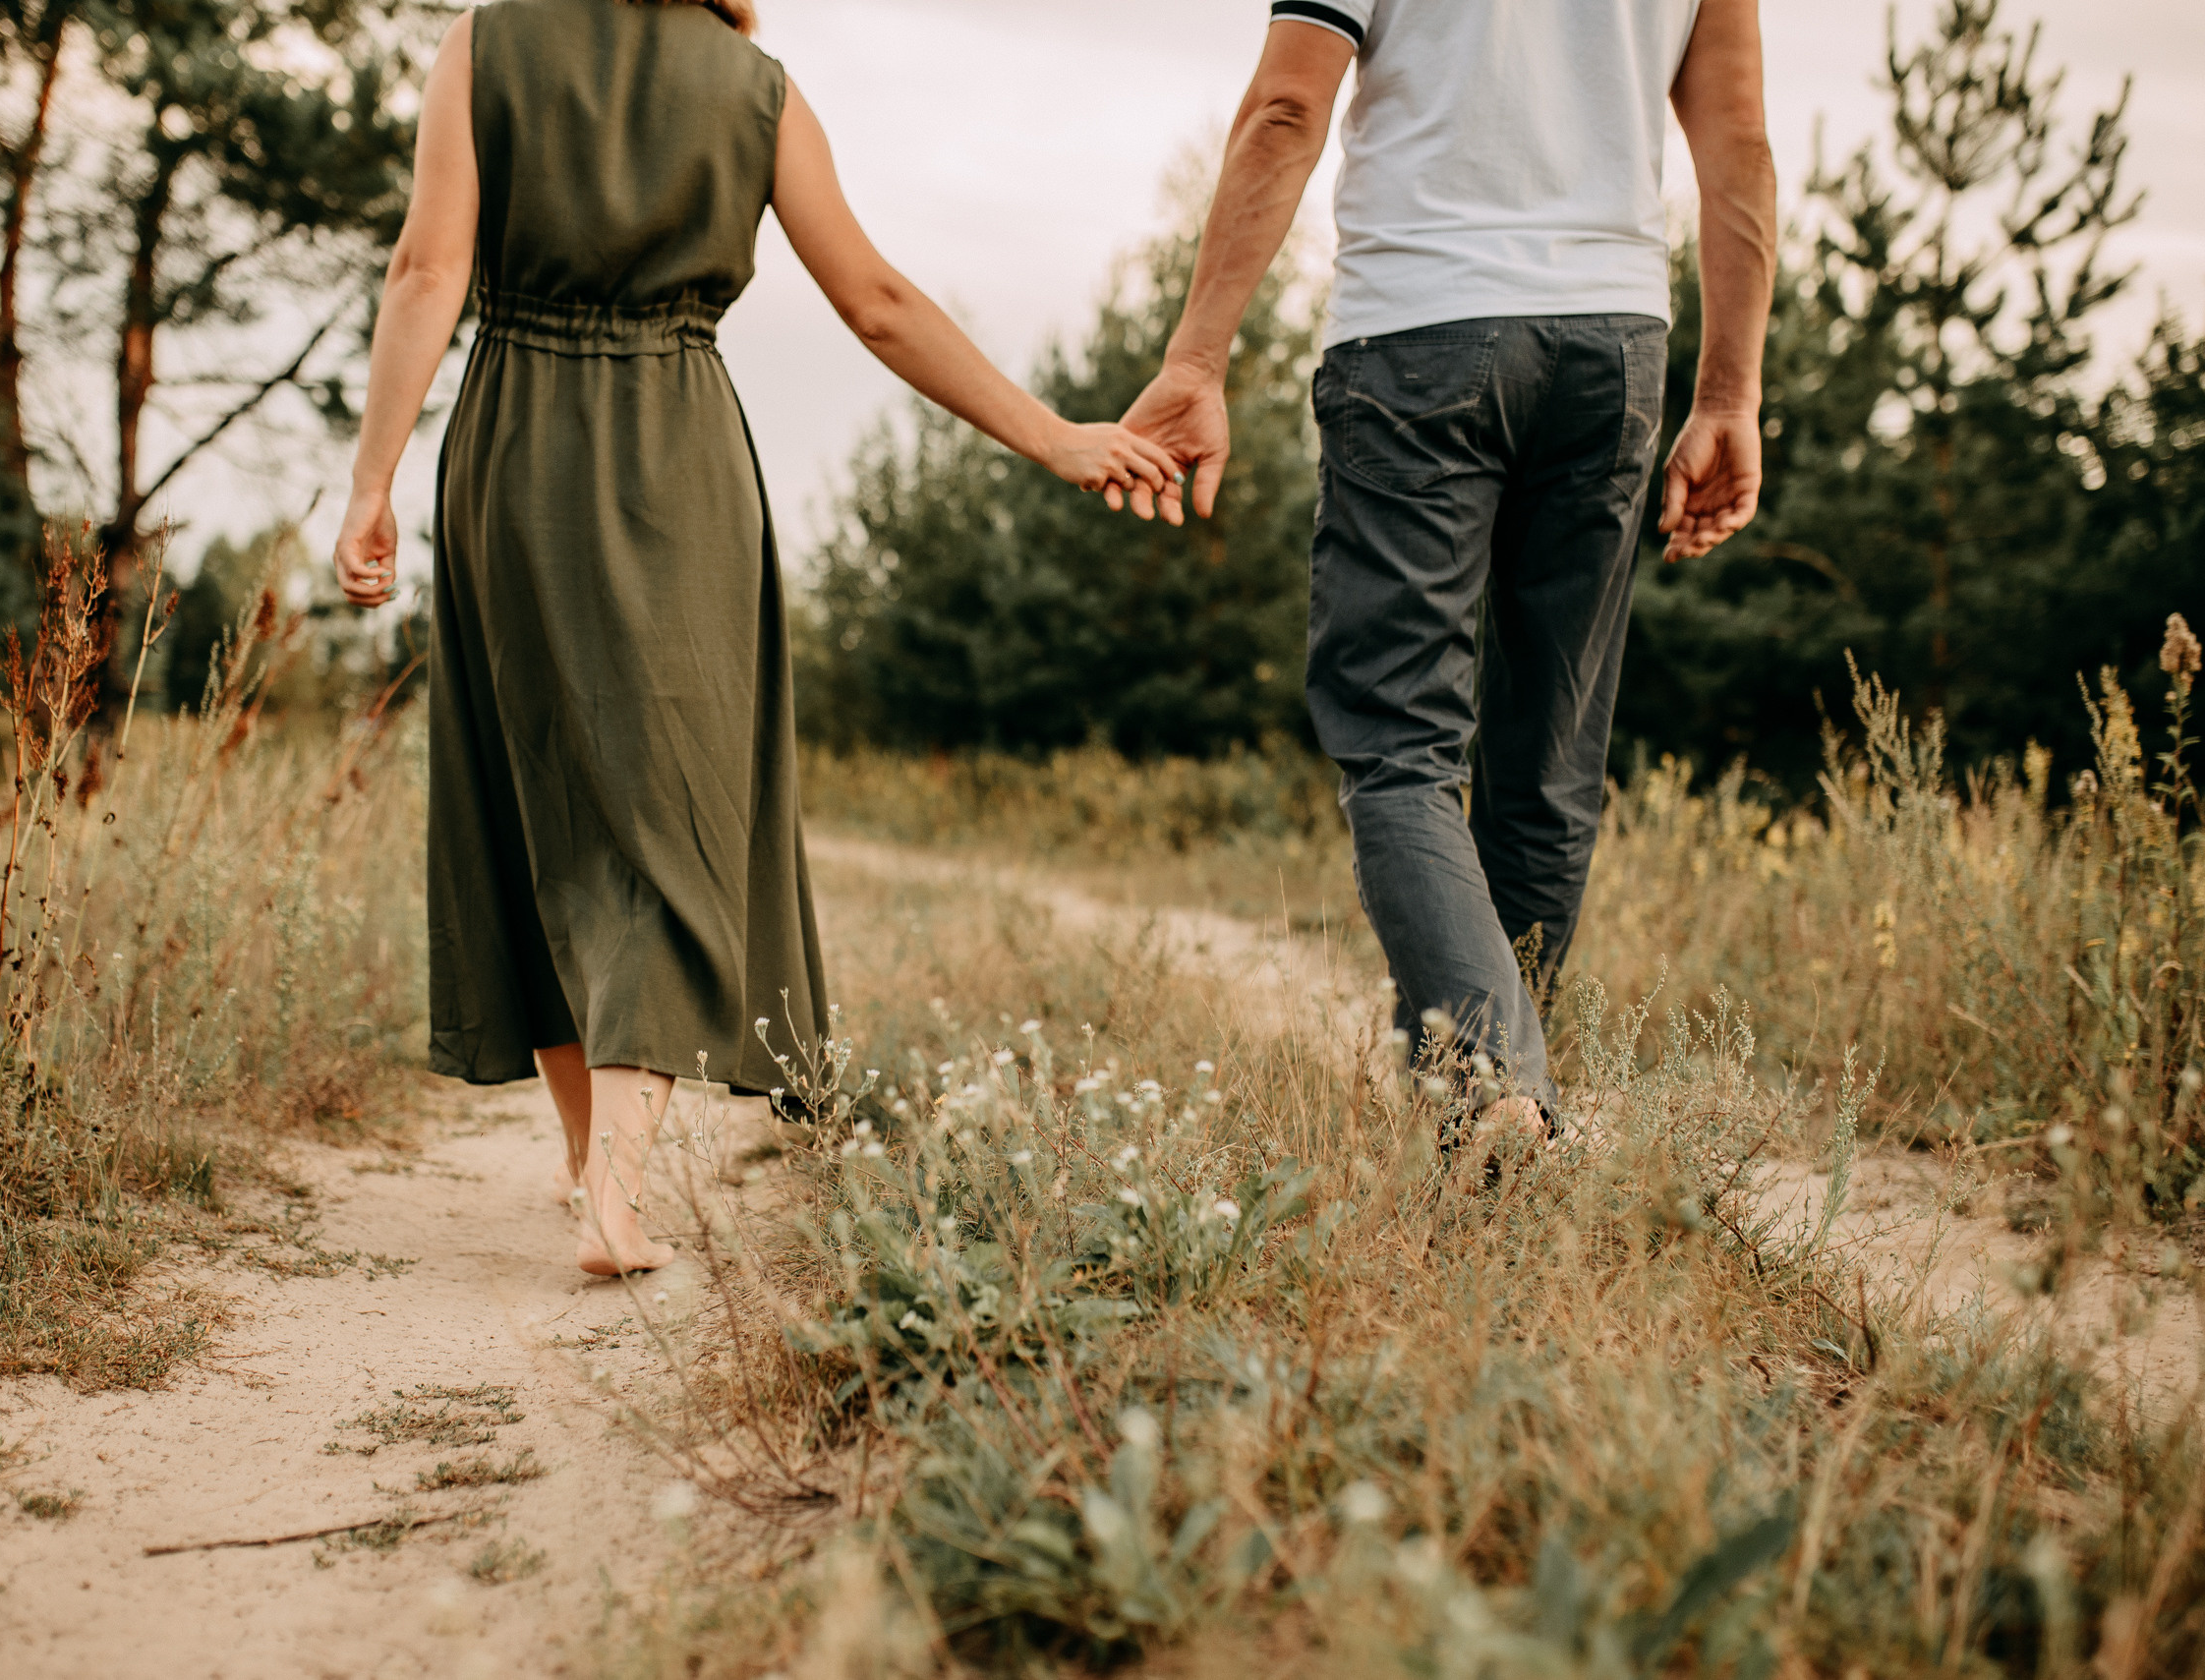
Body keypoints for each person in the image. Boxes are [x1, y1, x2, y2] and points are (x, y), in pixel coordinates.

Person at [331, 0, 1176, 1275]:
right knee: (671, 807)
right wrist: (1051, 434)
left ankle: (588, 1166)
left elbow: (425, 271)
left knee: (537, 786)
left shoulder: (487, 43)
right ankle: (609, 1188)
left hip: (512, 446)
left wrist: (372, 481)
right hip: (678, 455)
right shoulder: (755, 90)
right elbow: (880, 303)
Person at [1120, 0, 1777, 1140]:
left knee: (1398, 744)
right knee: (1549, 760)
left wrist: (1196, 357)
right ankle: (1473, 1113)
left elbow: (1286, 106)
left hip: (1420, 329)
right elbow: (1737, 146)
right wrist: (1727, 393)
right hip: (1614, 339)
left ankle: (1490, 1085)